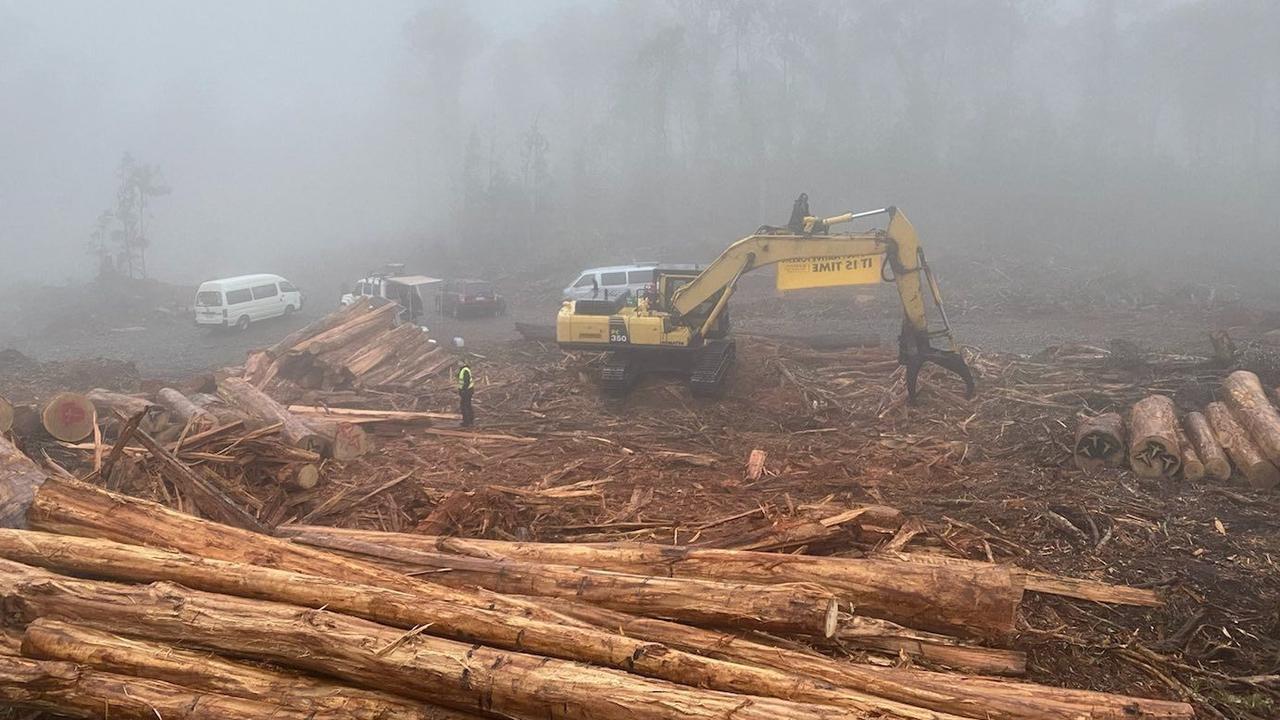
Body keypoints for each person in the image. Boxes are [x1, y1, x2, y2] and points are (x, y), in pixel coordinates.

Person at [457, 358, 474, 427]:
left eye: (459, 362)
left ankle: (466, 422)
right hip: (468, 390)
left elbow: (466, 382)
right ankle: (470, 420)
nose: (458, 363)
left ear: (463, 363)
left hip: (466, 391)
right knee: (468, 405)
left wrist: (463, 390)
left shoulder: (465, 370)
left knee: (464, 406)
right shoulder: (463, 369)